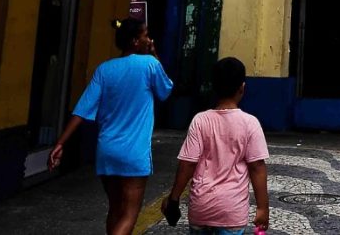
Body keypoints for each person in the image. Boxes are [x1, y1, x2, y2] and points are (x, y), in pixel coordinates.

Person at [48, 19, 173, 235]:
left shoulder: (104, 70)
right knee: (129, 215)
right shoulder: (149, 65)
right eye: (145, 35)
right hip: (134, 154)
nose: (149, 39)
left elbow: (81, 110)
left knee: (115, 210)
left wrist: (60, 142)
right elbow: (165, 90)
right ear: (135, 41)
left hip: (106, 151)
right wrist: (153, 53)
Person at [162, 57, 269, 235]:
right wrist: (263, 208)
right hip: (231, 211)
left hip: (201, 208)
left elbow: (187, 164)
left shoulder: (200, 120)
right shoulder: (250, 123)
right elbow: (257, 167)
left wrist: (173, 198)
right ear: (242, 88)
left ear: (214, 87)